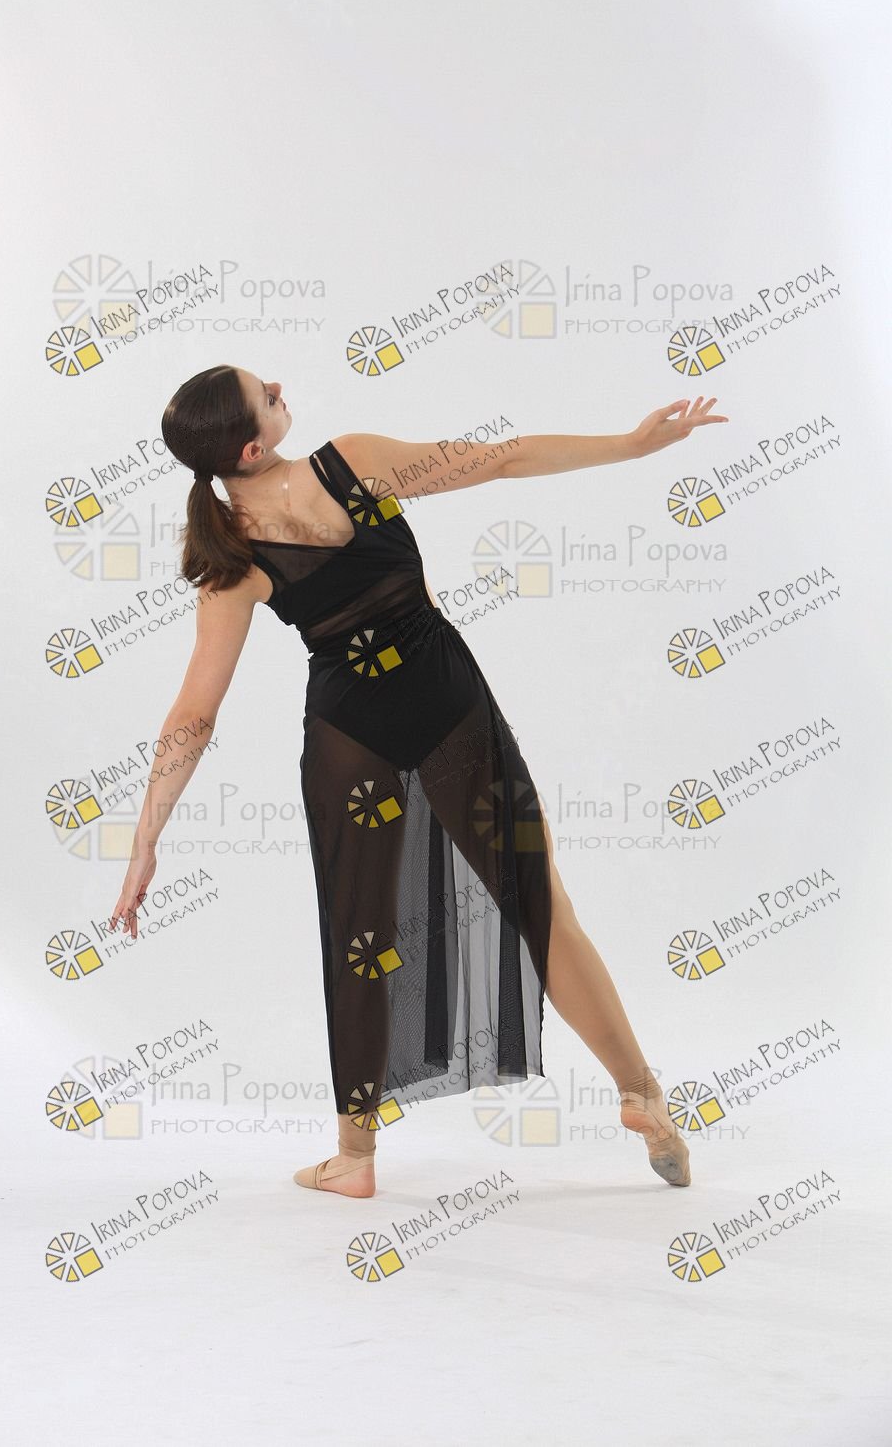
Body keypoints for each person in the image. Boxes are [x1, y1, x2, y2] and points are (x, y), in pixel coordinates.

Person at [109, 364, 728, 1198]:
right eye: (268, 393)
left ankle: (354, 1158)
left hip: (347, 736)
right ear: (251, 447)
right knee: (542, 908)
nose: (281, 386)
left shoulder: (233, 557)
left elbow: (194, 715)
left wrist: (145, 841)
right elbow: (502, 459)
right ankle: (642, 1095)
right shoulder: (353, 462)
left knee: (359, 940)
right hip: (445, 703)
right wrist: (630, 445)